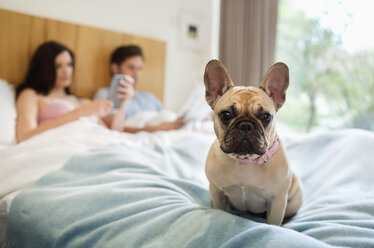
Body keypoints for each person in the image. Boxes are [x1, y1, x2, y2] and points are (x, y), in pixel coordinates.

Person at [16, 41, 130, 143]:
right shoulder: (31, 95)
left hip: (96, 146)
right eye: (58, 66)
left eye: (69, 65)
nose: (66, 71)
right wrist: (81, 112)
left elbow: (114, 134)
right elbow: (25, 137)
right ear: (43, 68)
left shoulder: (83, 102)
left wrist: (122, 103)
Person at [94, 45, 184, 133]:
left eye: (139, 68)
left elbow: (167, 117)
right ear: (115, 68)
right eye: (131, 67)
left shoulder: (149, 96)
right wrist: (156, 129)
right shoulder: (105, 94)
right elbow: (114, 128)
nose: (136, 74)